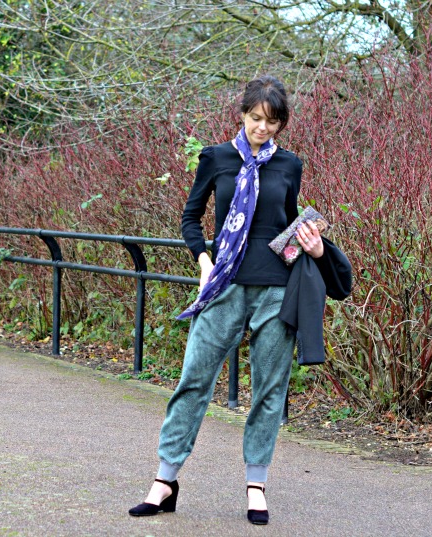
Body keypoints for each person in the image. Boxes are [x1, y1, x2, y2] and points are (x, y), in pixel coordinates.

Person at [128, 75, 333, 525]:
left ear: (281, 124)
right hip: (223, 285)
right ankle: (164, 481)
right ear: (242, 114)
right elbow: (190, 218)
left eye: (272, 122)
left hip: (277, 291)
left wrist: (312, 244)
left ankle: (256, 485)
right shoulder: (217, 158)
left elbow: (287, 222)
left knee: (268, 391)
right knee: (194, 380)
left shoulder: (289, 165)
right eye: (257, 118)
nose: (263, 128)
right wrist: (204, 262)